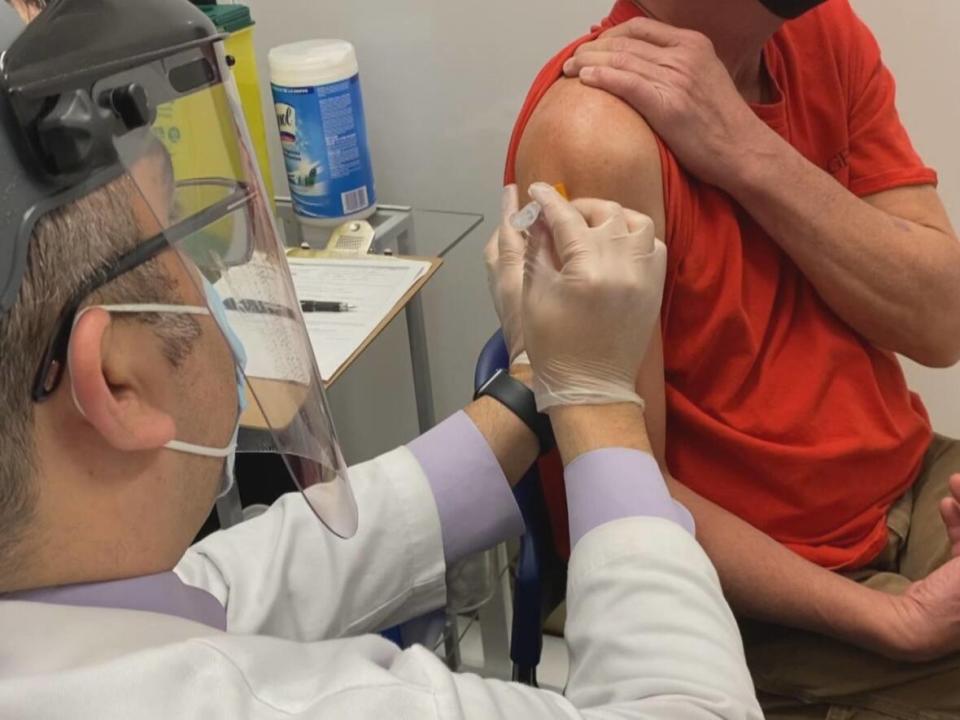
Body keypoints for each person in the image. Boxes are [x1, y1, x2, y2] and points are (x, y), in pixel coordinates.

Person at [0, 1, 764, 717]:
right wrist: (600, 400)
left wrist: (542, 376)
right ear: (118, 383)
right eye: (180, 240)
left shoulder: (57, 599)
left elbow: (267, 574)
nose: (208, 277)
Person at [506, 0, 960, 717]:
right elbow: (628, 491)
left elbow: (942, 320)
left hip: (910, 484)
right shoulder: (597, 132)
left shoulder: (821, 33)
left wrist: (747, 150)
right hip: (756, 589)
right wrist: (890, 621)